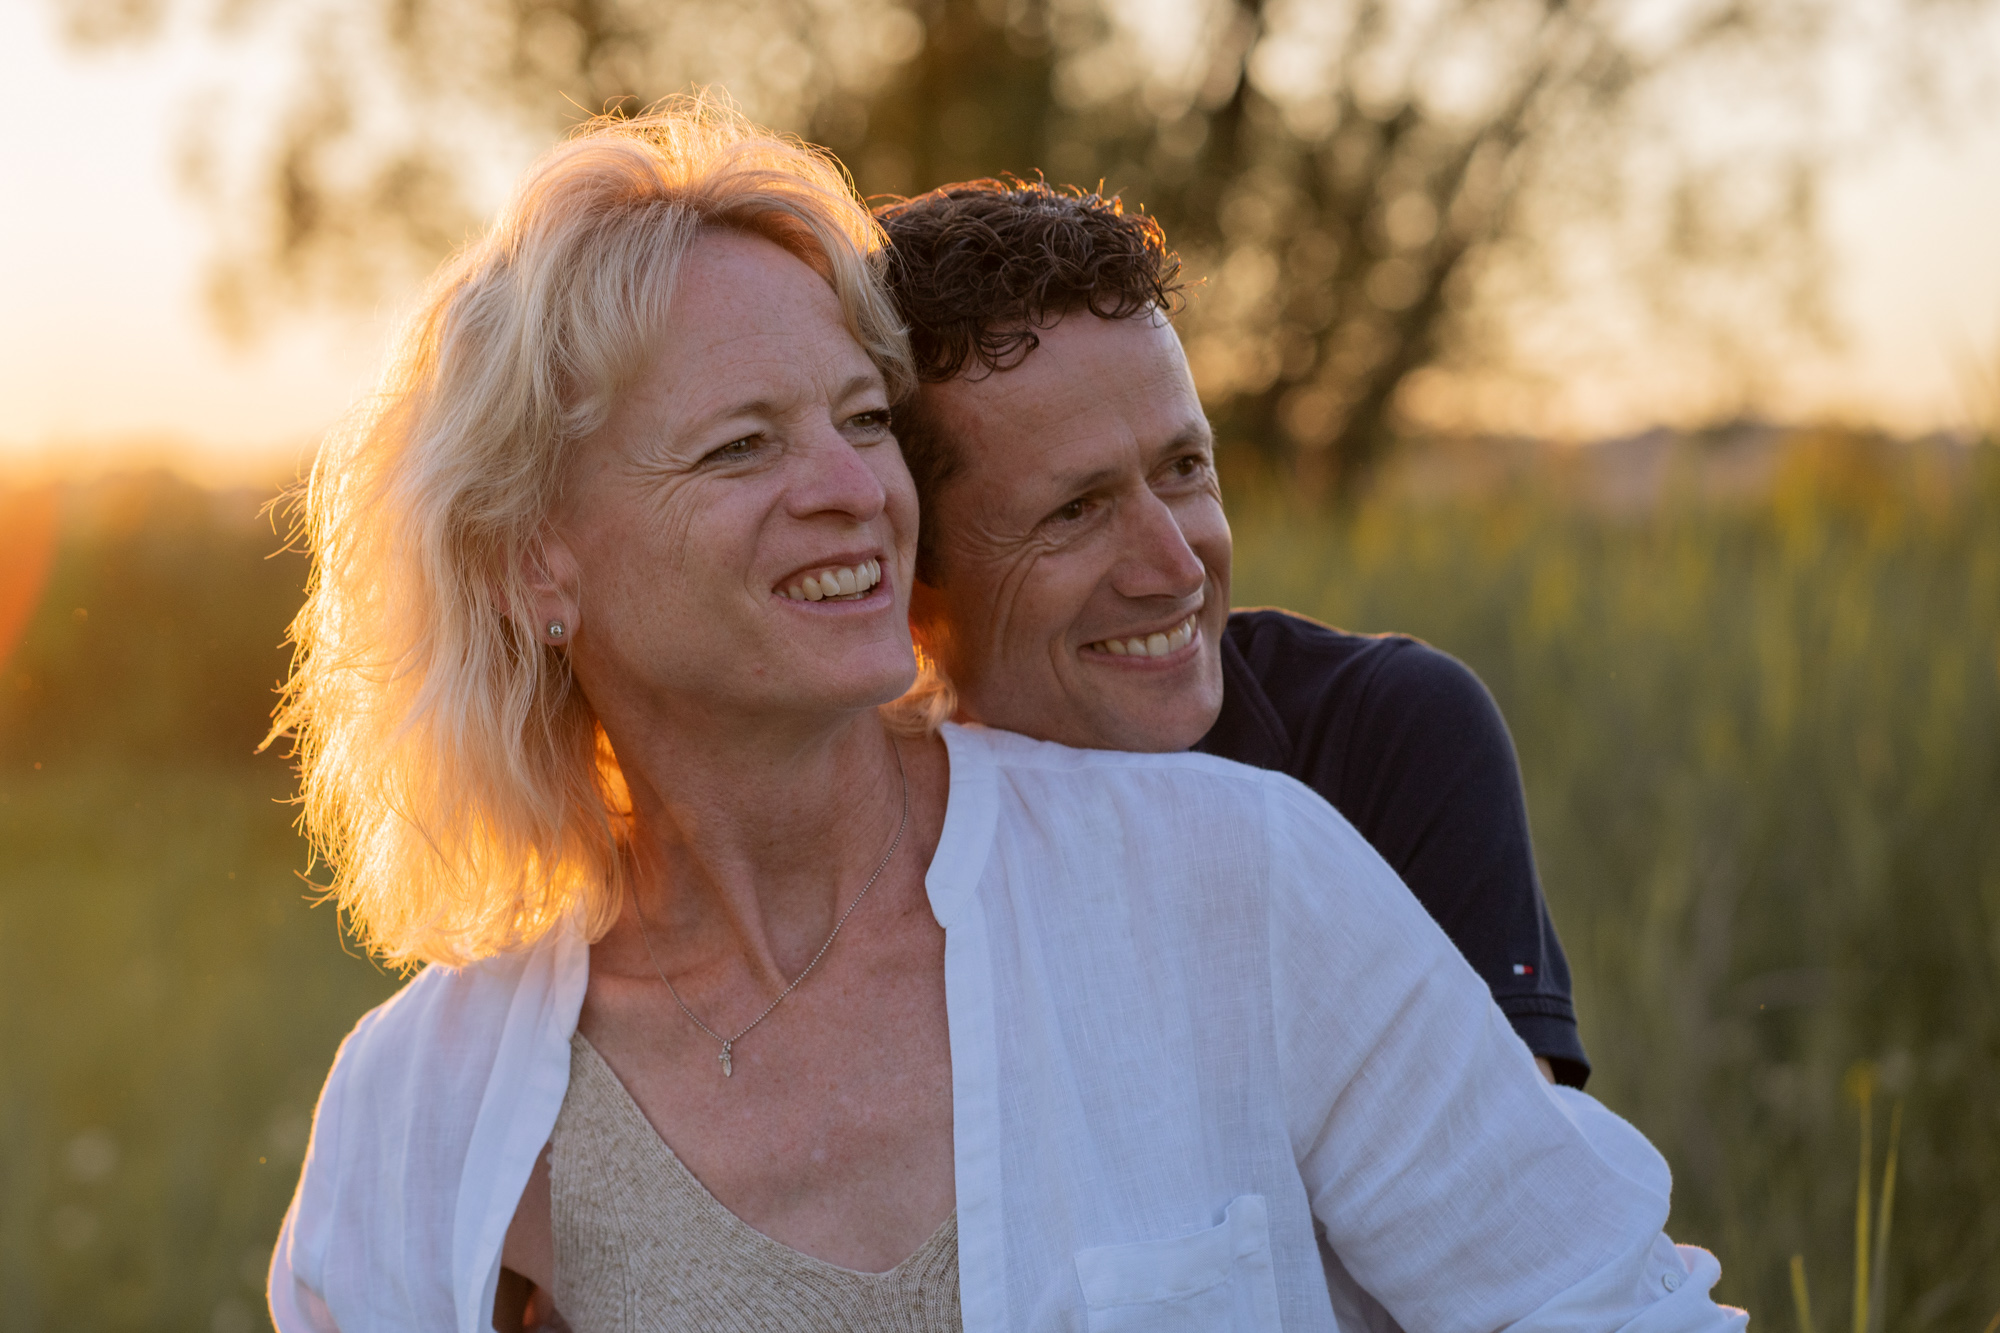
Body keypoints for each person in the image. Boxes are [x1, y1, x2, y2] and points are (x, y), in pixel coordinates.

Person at [267, 101, 1743, 1333]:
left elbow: (1604, 1308)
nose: (851, 486)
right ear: (533, 562)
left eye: (861, 419)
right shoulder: (424, 1106)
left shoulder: (1238, 874)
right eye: (740, 445)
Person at [877, 180, 1590, 1085]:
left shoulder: (1384, 737)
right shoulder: (847, 838)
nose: (1178, 568)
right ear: (909, 566)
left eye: (1184, 468)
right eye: (1076, 509)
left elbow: (1507, 1160)